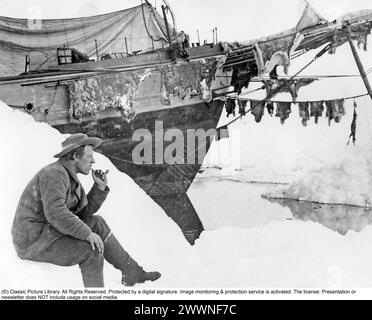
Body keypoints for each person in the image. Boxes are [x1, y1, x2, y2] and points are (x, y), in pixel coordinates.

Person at [11, 133, 161, 288]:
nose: (93, 161)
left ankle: (131, 272)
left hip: (47, 232)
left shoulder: (68, 176)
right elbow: (56, 214)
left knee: (97, 223)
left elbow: (81, 214)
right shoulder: (55, 173)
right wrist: (87, 234)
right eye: (90, 156)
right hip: (33, 241)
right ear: (76, 156)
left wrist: (99, 188)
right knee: (91, 251)